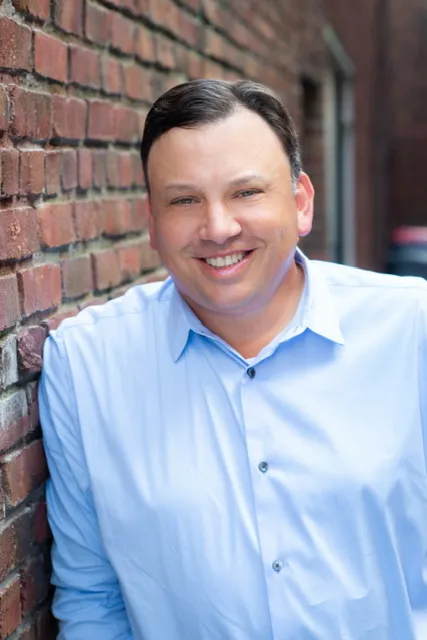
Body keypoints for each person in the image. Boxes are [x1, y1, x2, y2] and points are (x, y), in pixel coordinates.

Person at [39, 78, 427, 640]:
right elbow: (91, 599)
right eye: (185, 199)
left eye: (246, 192)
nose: (218, 228)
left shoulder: (412, 328)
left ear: (301, 203)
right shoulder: (85, 367)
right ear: (152, 221)